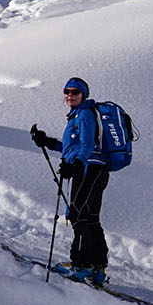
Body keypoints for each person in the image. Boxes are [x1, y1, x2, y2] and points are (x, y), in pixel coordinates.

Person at [29, 77, 110, 287]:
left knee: (78, 215)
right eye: (67, 91)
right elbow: (71, 147)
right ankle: (97, 267)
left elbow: (86, 144)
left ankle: (81, 266)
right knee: (91, 218)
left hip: (88, 169)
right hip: (95, 169)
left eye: (75, 92)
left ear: (83, 94)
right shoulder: (78, 115)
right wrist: (47, 142)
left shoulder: (84, 113)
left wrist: (77, 165)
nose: (70, 95)